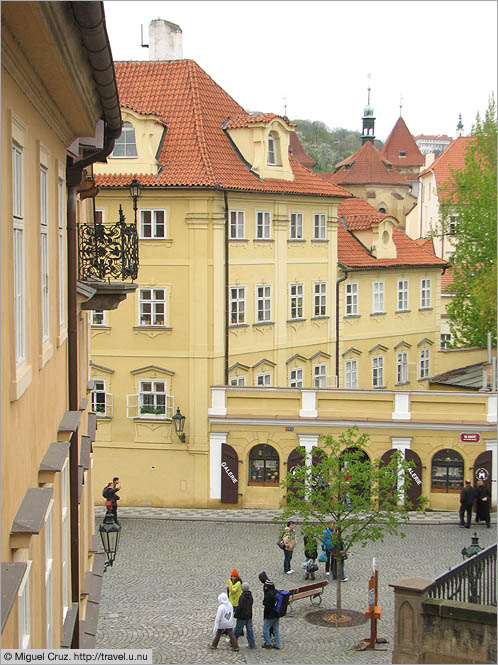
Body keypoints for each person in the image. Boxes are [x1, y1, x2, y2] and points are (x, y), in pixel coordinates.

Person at [233, 582, 256, 648]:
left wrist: (236, 614)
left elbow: (240, 607)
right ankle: (252, 644)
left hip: (242, 617)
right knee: (250, 630)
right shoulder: (250, 596)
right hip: (249, 616)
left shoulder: (242, 597)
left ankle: (233, 641)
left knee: (237, 630)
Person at [261, 576, 281, 650]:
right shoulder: (276, 592)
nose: (265, 588)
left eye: (266, 586)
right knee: (276, 629)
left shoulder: (268, 595)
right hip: (277, 614)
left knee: (265, 628)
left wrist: (265, 615)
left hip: (270, 615)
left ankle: (268, 643)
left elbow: (267, 606)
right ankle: (277, 644)